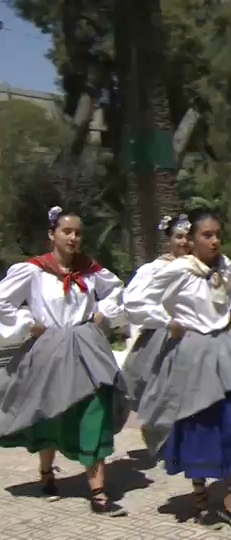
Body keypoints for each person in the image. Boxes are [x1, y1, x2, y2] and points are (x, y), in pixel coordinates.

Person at [123, 208, 231, 529]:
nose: (214, 241)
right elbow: (135, 300)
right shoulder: (179, 270)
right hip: (193, 352)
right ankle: (201, 498)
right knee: (197, 424)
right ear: (193, 239)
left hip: (225, 349)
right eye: (206, 235)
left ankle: (230, 492)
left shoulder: (224, 266)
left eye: (217, 234)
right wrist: (166, 320)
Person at [0, 205, 128, 517]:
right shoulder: (34, 270)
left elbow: (116, 291)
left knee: (96, 407)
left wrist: (103, 313)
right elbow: (2, 300)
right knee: (51, 410)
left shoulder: (91, 270)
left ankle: (97, 490)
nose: (73, 238)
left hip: (87, 345)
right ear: (52, 234)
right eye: (66, 231)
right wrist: (27, 323)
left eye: (78, 233)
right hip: (51, 347)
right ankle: (46, 474)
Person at [122, 213, 192, 409]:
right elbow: (134, 301)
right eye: (179, 237)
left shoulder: (201, 267)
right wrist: (166, 320)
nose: (184, 242)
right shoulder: (156, 269)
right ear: (169, 240)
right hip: (165, 338)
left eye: (188, 237)